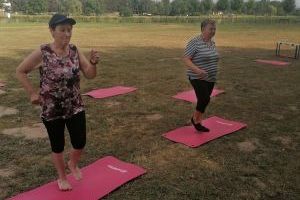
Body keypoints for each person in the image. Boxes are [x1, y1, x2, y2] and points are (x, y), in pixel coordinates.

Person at [16, 14, 100, 191]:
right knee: (58, 146)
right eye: (62, 30)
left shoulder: (75, 50)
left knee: (80, 142)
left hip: (75, 106)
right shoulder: (44, 52)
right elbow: (20, 71)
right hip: (52, 109)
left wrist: (93, 63)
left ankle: (73, 163)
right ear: (52, 31)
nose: (67, 34)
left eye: (69, 30)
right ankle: (62, 178)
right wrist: (32, 93)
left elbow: (90, 74)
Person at [182, 19, 219, 132]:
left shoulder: (212, 42)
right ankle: (196, 120)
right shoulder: (195, 42)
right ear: (203, 29)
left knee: (205, 100)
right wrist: (197, 70)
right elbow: (186, 59)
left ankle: (197, 118)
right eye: (210, 29)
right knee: (204, 98)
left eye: (214, 29)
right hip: (197, 76)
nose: (213, 31)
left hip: (210, 77)